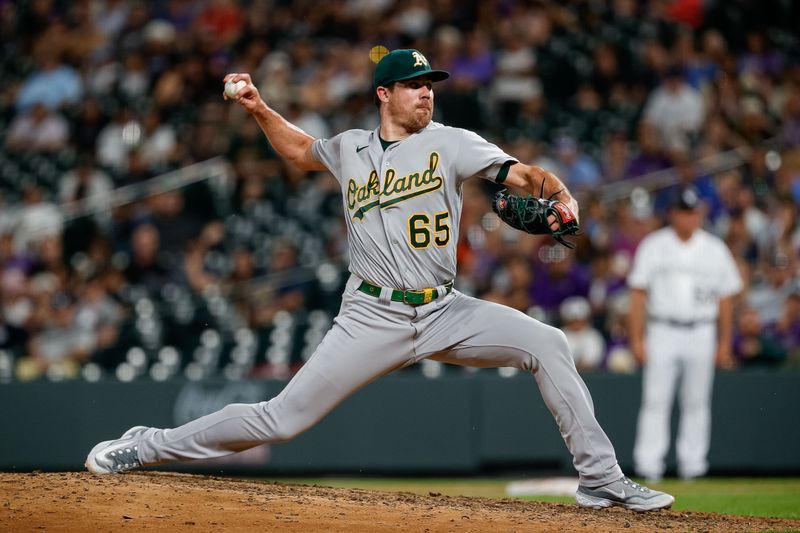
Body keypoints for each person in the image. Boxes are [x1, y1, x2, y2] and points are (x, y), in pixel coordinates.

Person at [86, 49, 674, 511]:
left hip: (445, 310)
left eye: (431, 85)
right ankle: (148, 444)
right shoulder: (350, 149)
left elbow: (518, 174)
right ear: (384, 94)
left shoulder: (452, 143)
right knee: (281, 420)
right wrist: (260, 109)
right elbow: (299, 151)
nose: (426, 93)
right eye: (415, 84)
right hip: (371, 315)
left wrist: (559, 191)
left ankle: (601, 481)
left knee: (549, 343)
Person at [628, 185, 743, 482]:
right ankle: (648, 465)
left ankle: (693, 465)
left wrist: (724, 342)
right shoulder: (654, 245)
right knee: (655, 399)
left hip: (702, 330)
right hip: (662, 328)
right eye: (683, 212)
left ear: (700, 214)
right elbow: (638, 294)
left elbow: (726, 299)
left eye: (693, 212)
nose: (689, 218)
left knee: (697, 401)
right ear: (672, 214)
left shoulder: (715, 248)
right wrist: (637, 339)